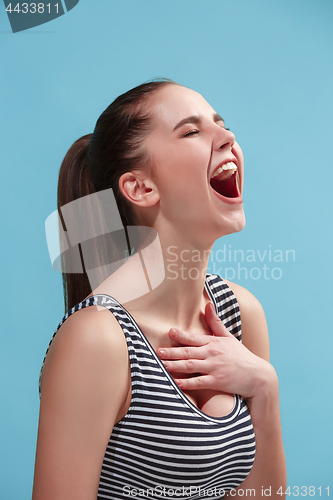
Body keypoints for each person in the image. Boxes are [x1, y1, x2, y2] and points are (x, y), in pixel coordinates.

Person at [32, 79, 287, 500]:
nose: (228, 137)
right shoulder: (97, 339)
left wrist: (265, 389)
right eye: (191, 131)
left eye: (221, 124)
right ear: (140, 188)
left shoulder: (241, 313)